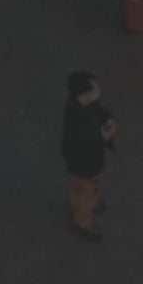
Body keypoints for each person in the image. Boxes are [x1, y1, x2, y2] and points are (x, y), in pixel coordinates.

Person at [62, 71, 116, 239]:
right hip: (86, 162)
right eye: (94, 88)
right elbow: (91, 139)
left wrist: (107, 119)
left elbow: (98, 111)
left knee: (78, 185)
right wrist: (106, 135)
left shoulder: (77, 105)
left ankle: (78, 207)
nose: (98, 90)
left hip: (75, 160)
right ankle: (83, 221)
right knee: (88, 189)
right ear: (84, 94)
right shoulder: (81, 119)